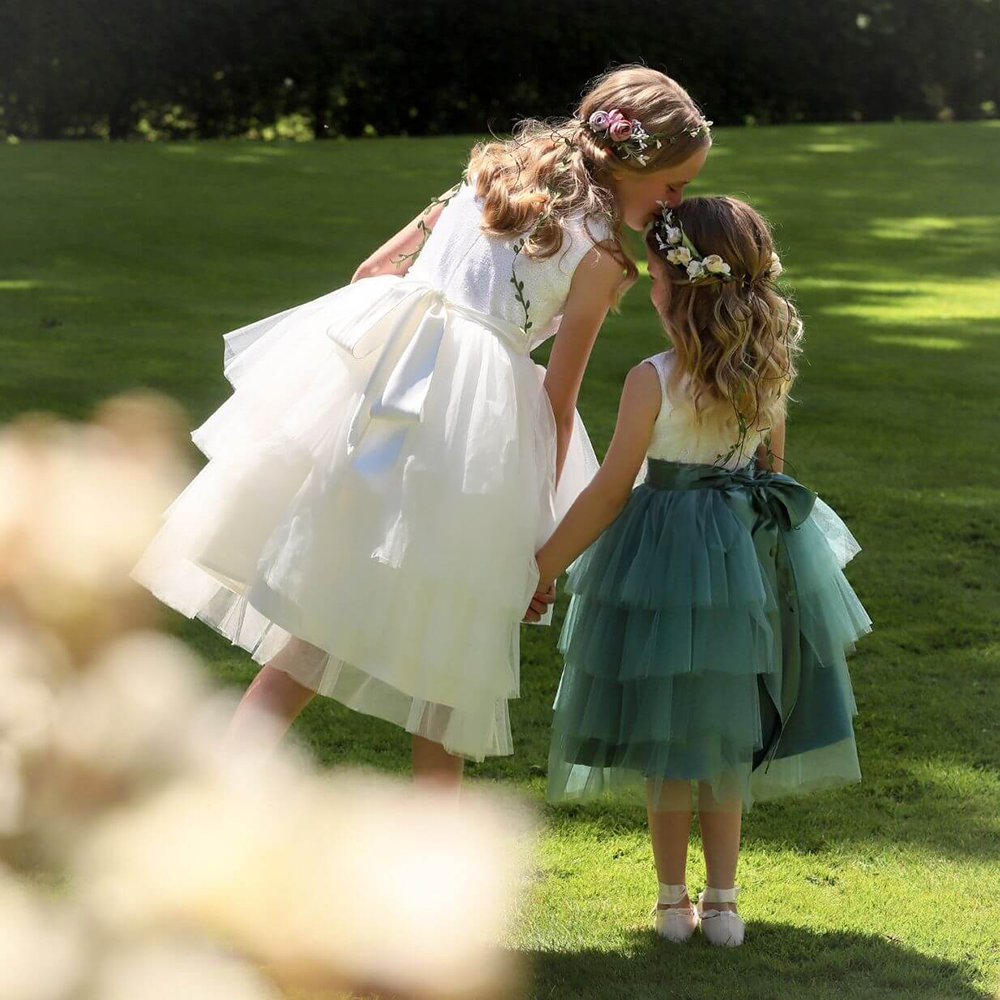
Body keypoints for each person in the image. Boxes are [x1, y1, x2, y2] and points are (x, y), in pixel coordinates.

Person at [133, 66, 712, 788]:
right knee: (450, 654)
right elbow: (557, 404)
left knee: (318, 623)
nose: (675, 203)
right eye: (673, 185)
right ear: (632, 163)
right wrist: (535, 534)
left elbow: (374, 270)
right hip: (477, 434)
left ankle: (216, 787)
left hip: (386, 401)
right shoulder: (600, 258)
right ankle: (436, 857)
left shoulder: (492, 177)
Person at [529, 196, 871, 944]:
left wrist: (543, 566)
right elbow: (770, 470)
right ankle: (723, 901)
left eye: (652, 275)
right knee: (725, 734)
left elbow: (613, 488)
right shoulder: (767, 370)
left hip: (660, 559)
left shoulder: (651, 378)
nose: (647, 287)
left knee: (666, 737)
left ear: (676, 289)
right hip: (741, 556)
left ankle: (670, 902)